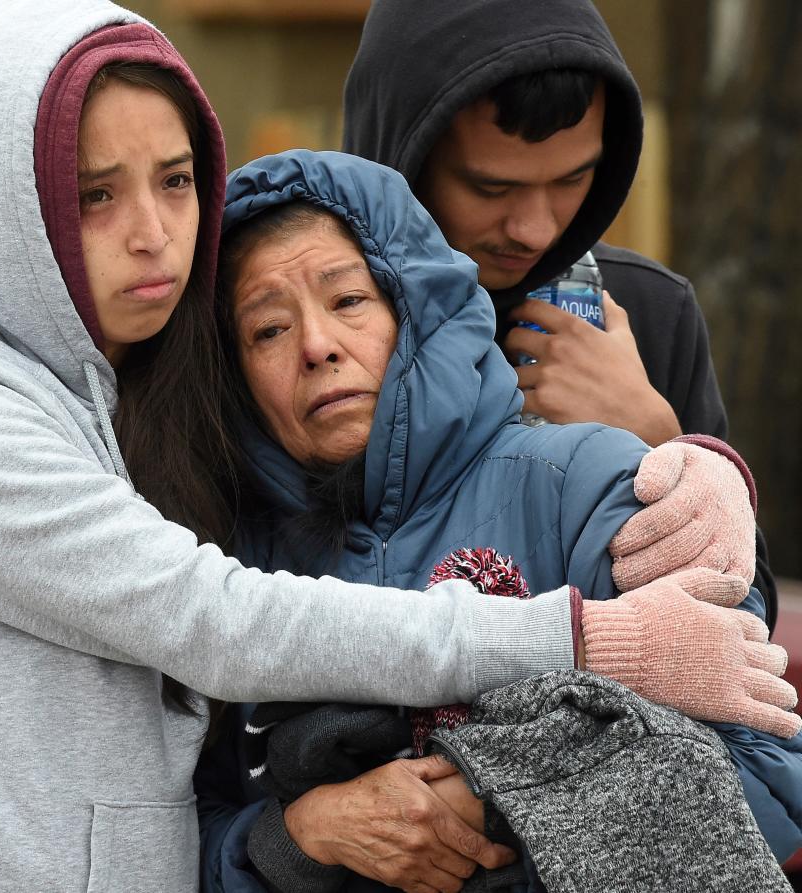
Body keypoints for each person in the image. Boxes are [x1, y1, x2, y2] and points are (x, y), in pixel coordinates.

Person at [0, 2, 699, 888]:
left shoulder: (143, 404)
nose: (153, 233)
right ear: (3, 208)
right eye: (96, 193)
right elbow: (215, 619)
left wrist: (690, 461)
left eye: (176, 181)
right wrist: (588, 638)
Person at [196, 149, 802, 893]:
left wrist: (492, 801)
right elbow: (176, 824)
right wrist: (300, 834)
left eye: (348, 300)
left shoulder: (589, 485)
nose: (317, 345)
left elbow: (768, 768)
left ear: (412, 307)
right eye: (267, 331)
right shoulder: (214, 565)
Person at [340, 0, 779, 626]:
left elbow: (748, 617)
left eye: (574, 179)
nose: (535, 229)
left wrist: (659, 441)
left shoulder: (649, 314)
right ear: (399, 157)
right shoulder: (312, 320)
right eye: (491, 188)